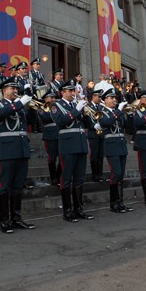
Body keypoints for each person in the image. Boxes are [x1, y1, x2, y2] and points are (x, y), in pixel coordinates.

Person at [0, 77, 36, 233]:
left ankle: (16, 218)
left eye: (17, 89)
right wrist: (22, 102)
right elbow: (1, 114)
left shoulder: (21, 106)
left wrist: (31, 108)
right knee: (5, 185)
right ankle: (4, 220)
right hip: (8, 150)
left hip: (22, 148)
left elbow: (31, 121)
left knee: (17, 185)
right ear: (4, 91)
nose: (15, 91)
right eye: (12, 89)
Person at [50, 79, 92, 222]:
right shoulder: (56, 105)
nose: (73, 93)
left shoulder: (76, 105)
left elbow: (87, 124)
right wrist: (77, 110)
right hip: (68, 146)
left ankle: (78, 209)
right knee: (66, 179)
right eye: (70, 91)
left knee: (79, 179)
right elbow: (61, 122)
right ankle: (67, 211)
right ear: (63, 92)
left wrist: (87, 114)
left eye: (73, 91)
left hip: (80, 145)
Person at [97, 88, 133, 213]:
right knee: (116, 173)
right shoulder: (101, 112)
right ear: (105, 100)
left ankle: (120, 202)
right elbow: (106, 122)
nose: (114, 100)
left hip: (121, 145)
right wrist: (118, 111)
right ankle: (113, 203)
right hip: (111, 146)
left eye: (115, 98)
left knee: (121, 175)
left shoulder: (118, 112)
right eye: (111, 98)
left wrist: (129, 115)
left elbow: (127, 127)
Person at [38, 90, 61, 186]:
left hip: (59, 134)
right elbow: (46, 117)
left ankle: (59, 176)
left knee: (62, 157)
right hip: (50, 135)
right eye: (51, 98)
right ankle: (53, 178)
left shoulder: (57, 107)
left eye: (54, 98)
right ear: (46, 98)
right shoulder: (41, 108)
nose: (54, 99)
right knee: (52, 158)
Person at [84, 89, 105, 182]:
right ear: (93, 96)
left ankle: (100, 174)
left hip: (101, 134)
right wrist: (93, 126)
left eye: (101, 97)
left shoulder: (101, 107)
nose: (100, 98)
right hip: (93, 134)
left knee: (101, 155)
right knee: (94, 155)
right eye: (99, 96)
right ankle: (95, 174)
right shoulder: (88, 106)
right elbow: (86, 121)